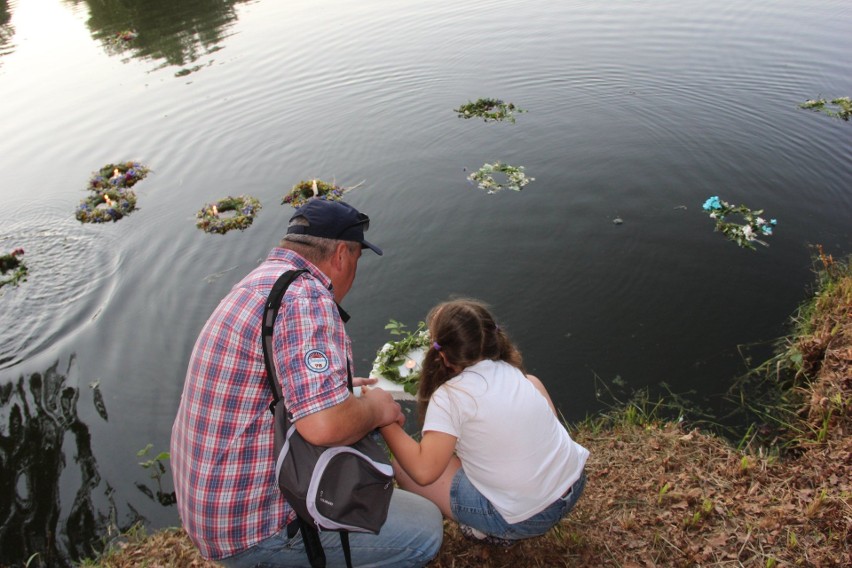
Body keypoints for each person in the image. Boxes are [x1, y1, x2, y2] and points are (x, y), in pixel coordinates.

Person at [171, 199, 443, 567]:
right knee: (425, 530)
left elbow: (281, 379)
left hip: (211, 511)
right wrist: (376, 408)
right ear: (343, 255)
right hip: (255, 529)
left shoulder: (262, 281)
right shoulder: (307, 298)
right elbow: (323, 425)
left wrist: (342, 394)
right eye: (358, 261)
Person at [378, 299, 588, 545]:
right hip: (573, 485)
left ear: (443, 354)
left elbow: (424, 472)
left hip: (526, 518)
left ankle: (487, 529)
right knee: (532, 384)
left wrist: (384, 421)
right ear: (492, 338)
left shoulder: (449, 397)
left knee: (405, 467)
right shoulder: (515, 374)